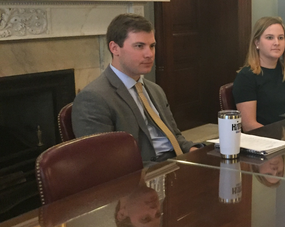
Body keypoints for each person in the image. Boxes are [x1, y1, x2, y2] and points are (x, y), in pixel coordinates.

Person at [72, 14, 199, 164]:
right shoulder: (93, 98)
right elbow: (105, 162)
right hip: (145, 175)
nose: (149, 54)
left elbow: (175, 136)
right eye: (139, 46)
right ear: (114, 48)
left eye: (152, 46)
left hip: (178, 164)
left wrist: (195, 151)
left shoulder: (155, 90)